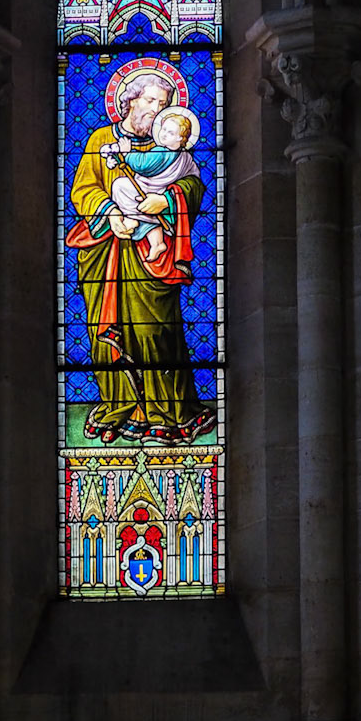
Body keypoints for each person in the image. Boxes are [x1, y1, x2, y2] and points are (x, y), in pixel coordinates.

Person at [66, 66, 213, 445]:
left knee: (154, 332)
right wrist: (110, 214)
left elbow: (193, 187)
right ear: (129, 99)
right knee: (104, 334)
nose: (156, 111)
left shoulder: (171, 148)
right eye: (150, 100)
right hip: (106, 250)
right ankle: (120, 406)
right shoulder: (102, 140)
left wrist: (165, 199)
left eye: (163, 104)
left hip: (152, 258)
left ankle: (166, 412)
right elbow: (82, 190)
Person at [105, 105, 201, 264]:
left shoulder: (161, 152)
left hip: (151, 192)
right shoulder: (186, 157)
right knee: (147, 214)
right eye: (163, 129)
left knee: (119, 186)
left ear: (180, 138)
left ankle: (132, 218)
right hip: (158, 196)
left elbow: (143, 165)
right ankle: (157, 243)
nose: (163, 134)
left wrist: (127, 152)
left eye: (170, 132)